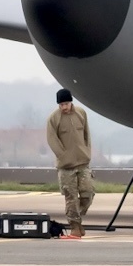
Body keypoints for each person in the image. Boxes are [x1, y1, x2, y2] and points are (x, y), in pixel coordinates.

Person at [46, 88, 93, 238]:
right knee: (70, 197)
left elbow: (86, 135)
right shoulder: (53, 119)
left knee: (88, 193)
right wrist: (64, 156)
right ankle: (74, 228)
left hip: (83, 162)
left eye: (66, 104)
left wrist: (87, 152)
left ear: (71, 102)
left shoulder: (81, 113)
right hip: (65, 167)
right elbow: (52, 140)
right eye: (61, 105)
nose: (64, 107)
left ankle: (77, 222)